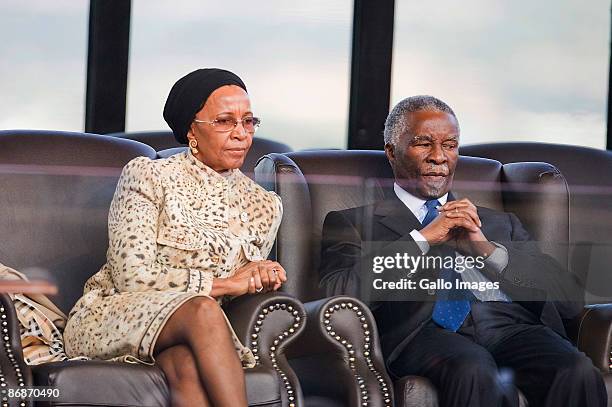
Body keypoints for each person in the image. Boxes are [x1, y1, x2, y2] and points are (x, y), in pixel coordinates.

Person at [319, 95, 606, 407]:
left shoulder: (499, 223)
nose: (439, 157)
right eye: (423, 143)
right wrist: (422, 238)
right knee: (472, 368)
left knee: (575, 370)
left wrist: (486, 249)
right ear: (391, 152)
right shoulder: (355, 222)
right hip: (423, 333)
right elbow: (338, 292)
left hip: (510, 327)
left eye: (450, 145)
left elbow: (567, 298)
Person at [64, 68, 286, 407]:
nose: (242, 134)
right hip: (113, 315)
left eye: (249, 121)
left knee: (187, 368)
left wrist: (262, 275)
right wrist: (226, 284)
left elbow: (245, 286)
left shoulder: (266, 206)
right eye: (225, 121)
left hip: (195, 338)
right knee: (202, 308)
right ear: (191, 130)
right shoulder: (148, 175)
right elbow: (131, 277)